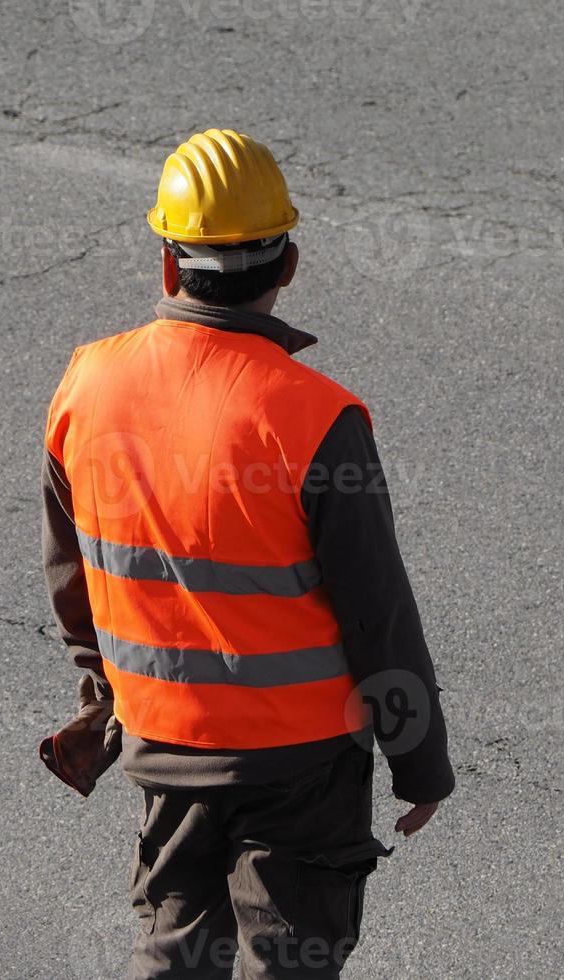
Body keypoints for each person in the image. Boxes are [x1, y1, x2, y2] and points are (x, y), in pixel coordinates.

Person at [40, 128, 454, 979]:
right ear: (288, 264)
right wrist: (421, 765)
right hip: (301, 766)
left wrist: (105, 696)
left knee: (173, 949)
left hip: (161, 739)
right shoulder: (314, 416)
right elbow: (377, 615)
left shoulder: (86, 384)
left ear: (167, 263)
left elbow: (72, 576)